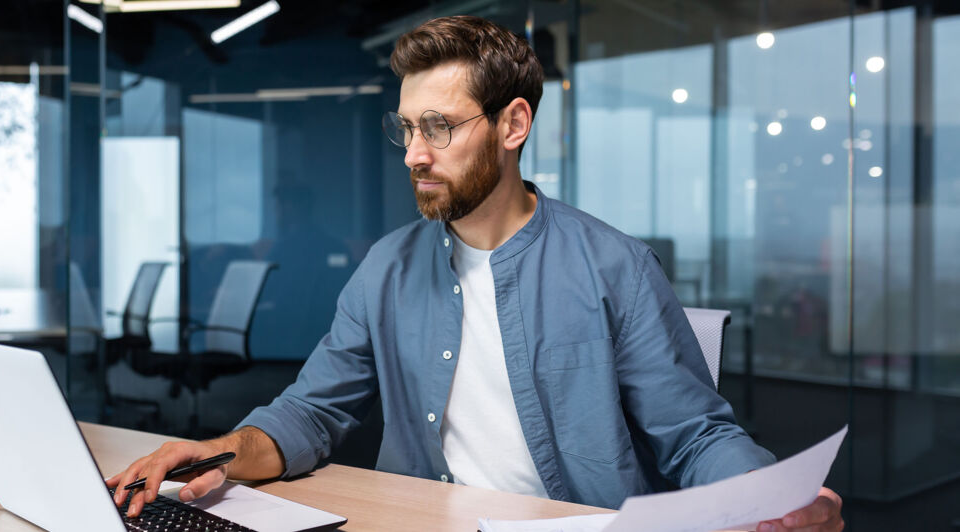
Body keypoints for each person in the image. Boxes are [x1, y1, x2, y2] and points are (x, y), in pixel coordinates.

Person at [107, 16, 843, 532]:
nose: (414, 155)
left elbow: (692, 435)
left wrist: (775, 497)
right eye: (407, 129)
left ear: (513, 126)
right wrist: (221, 451)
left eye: (440, 128)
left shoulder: (613, 265)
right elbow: (312, 412)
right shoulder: (385, 270)